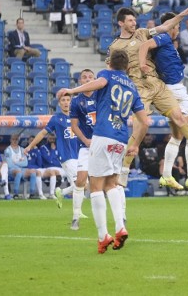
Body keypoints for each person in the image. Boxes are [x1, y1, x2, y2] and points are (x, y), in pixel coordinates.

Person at [89, 6, 188, 191]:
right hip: (139, 88)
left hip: (157, 84)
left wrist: (180, 16)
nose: (134, 23)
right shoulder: (115, 47)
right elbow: (112, 70)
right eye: (130, 20)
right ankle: (124, 170)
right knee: (140, 128)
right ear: (121, 23)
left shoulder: (142, 33)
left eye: (134, 20)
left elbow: (164, 27)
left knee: (180, 118)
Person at [57, 50, 148, 253]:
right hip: (121, 139)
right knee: (112, 184)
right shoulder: (132, 88)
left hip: (103, 134)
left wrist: (71, 91)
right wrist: (137, 143)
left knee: (96, 186)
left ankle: (102, 236)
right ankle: (120, 226)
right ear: (128, 67)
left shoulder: (107, 76)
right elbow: (145, 121)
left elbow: (97, 84)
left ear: (111, 64)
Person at [138, 12, 188, 191]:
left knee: (178, 136)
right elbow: (145, 45)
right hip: (175, 89)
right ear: (171, 25)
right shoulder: (163, 37)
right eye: (177, 26)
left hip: (170, 89)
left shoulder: (166, 41)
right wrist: (142, 64)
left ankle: (166, 175)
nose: (178, 30)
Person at [26, 93, 85, 227]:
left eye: (68, 100)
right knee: (79, 184)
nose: (65, 102)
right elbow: (42, 133)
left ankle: (61, 192)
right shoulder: (56, 119)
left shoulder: (78, 117)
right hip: (66, 157)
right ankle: (76, 218)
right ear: (59, 104)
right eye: (63, 100)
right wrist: (30, 146)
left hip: (79, 155)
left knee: (84, 184)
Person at [68, 69, 97, 229]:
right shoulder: (76, 101)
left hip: (102, 144)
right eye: (84, 77)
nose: (87, 79)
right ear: (80, 81)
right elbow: (74, 125)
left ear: (95, 79)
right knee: (80, 180)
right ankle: (75, 216)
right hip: (86, 146)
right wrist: (86, 140)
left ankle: (119, 217)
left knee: (106, 183)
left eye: (90, 77)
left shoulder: (101, 96)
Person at [39, 134, 66, 200]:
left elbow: (61, 160)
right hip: (48, 168)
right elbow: (49, 160)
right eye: (50, 139)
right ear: (47, 138)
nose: (52, 141)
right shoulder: (43, 147)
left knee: (72, 172)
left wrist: (55, 161)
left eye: (53, 139)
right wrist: (52, 150)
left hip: (60, 168)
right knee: (53, 172)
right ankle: (51, 193)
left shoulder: (59, 147)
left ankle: (71, 193)